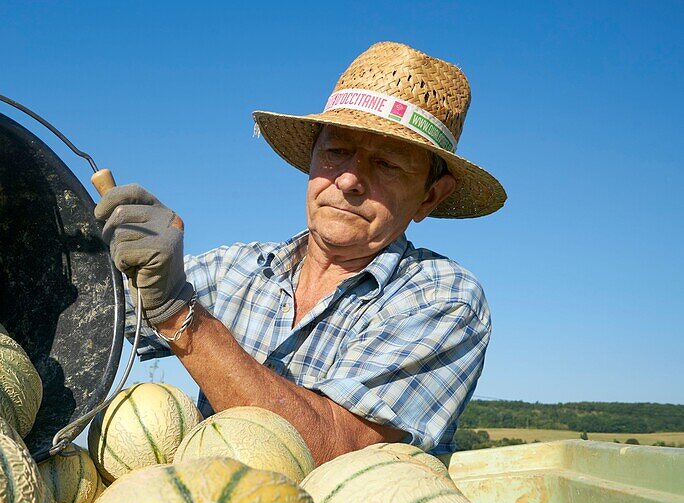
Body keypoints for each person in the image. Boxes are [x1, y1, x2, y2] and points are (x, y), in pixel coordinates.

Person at [95, 41, 506, 465]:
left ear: (430, 197)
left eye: (386, 163)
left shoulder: (442, 298)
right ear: (312, 159)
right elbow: (98, 311)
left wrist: (178, 313)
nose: (348, 180)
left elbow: (336, 448)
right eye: (336, 151)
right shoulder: (237, 269)